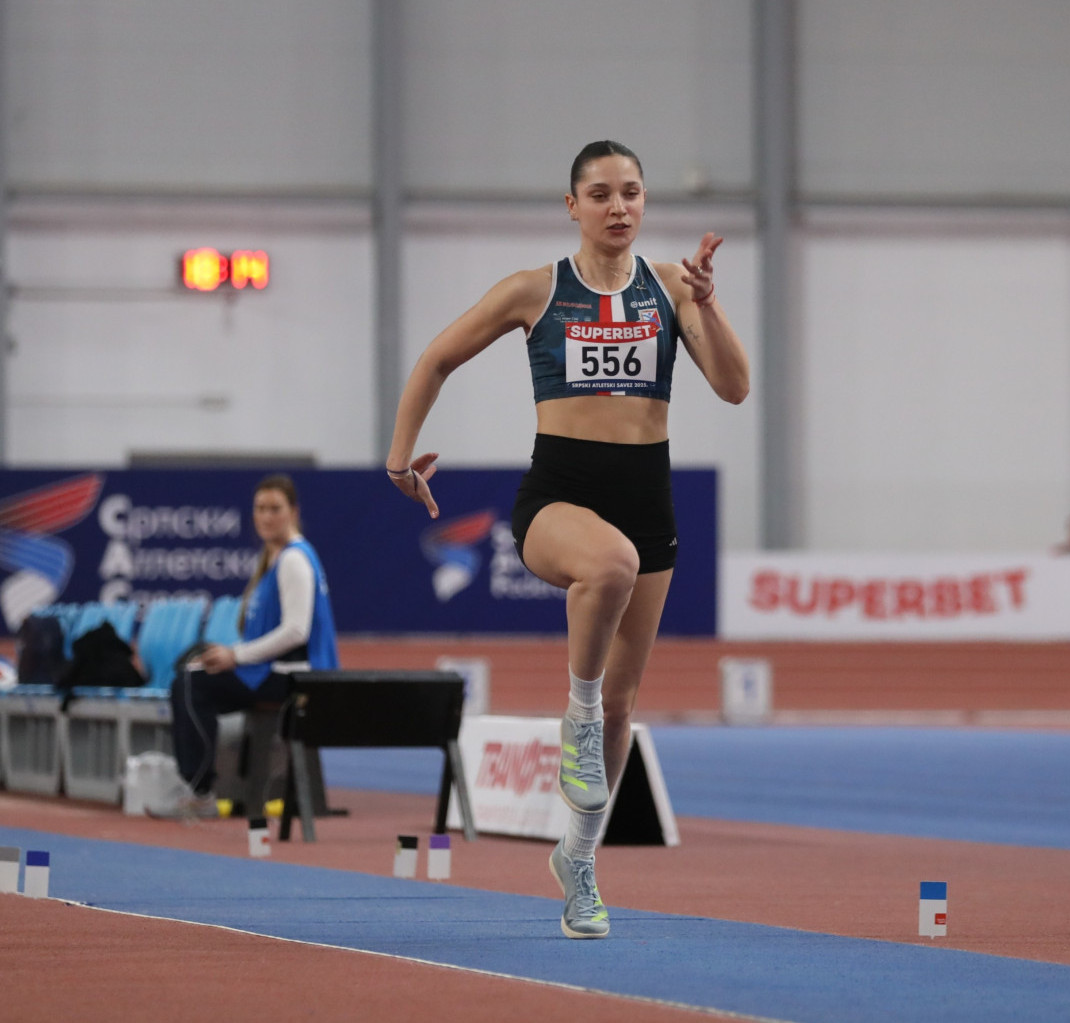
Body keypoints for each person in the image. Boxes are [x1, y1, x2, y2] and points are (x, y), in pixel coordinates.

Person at [385, 141, 749, 939]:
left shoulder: (672, 287)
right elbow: (438, 357)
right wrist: (398, 456)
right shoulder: (536, 289)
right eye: (602, 193)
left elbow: (733, 386)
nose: (619, 207)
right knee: (609, 570)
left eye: (632, 192)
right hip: (558, 496)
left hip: (648, 499)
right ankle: (574, 714)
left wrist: (711, 304)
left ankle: (578, 862)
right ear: (572, 205)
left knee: (624, 705)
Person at [163, 474, 340, 819]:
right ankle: (202, 786)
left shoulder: (294, 560)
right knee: (193, 675)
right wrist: (230, 655)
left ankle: (200, 791)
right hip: (276, 672)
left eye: (275, 509)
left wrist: (236, 656)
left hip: (297, 678)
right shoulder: (275, 559)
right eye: (260, 508)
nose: (266, 516)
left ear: (293, 512)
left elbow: (296, 631)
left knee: (190, 686)